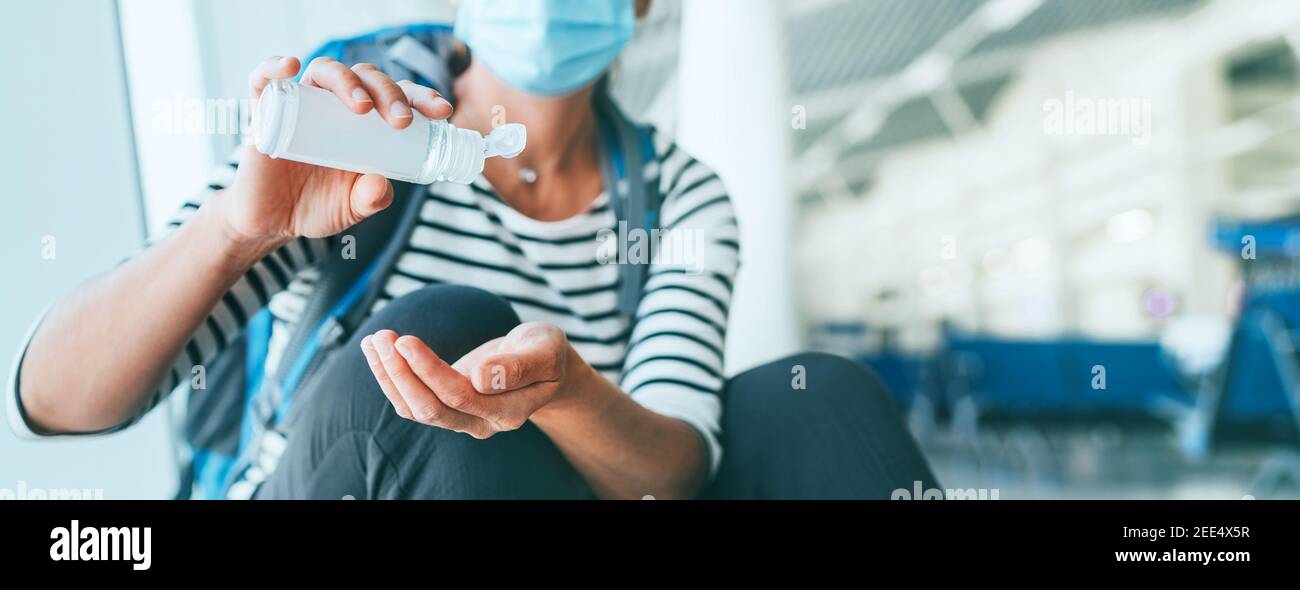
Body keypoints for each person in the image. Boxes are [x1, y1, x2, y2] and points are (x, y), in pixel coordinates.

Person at [6, 0, 937, 499]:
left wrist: (564, 392)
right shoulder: (358, 132)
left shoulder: (680, 199)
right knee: (445, 329)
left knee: (818, 402)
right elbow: (54, 401)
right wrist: (240, 229)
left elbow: (671, 472)